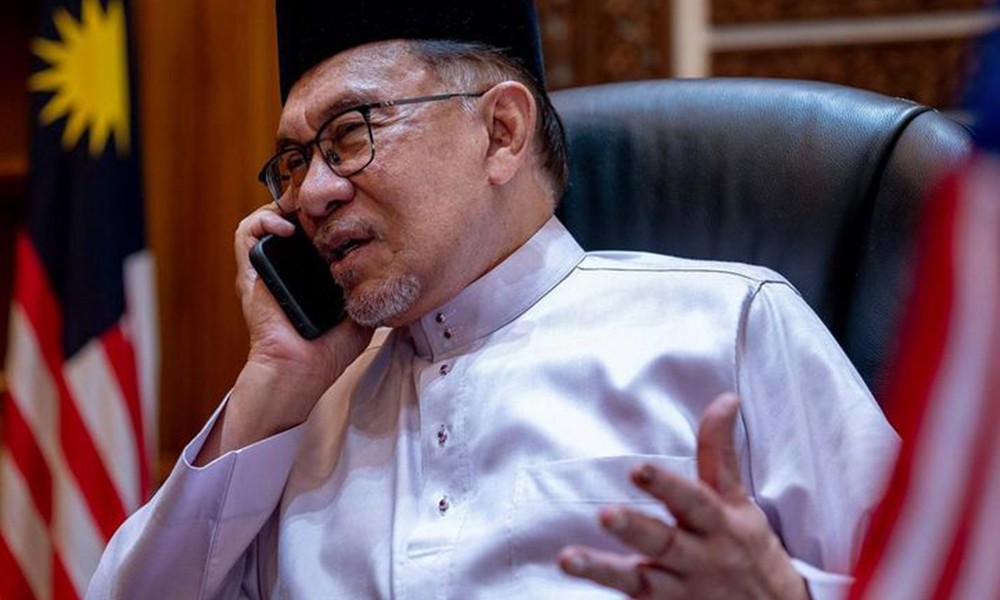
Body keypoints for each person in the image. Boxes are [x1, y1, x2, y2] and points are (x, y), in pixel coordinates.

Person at [87, 1, 898, 598]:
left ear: (502, 132)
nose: (313, 194)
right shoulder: (299, 424)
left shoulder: (725, 325)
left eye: (350, 133)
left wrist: (782, 594)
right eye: (294, 162)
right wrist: (274, 381)